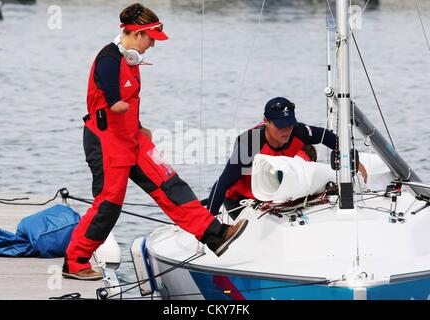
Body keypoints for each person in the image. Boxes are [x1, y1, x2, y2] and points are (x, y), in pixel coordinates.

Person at [63, 3, 248, 280]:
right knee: (109, 204)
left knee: (171, 185)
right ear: (137, 34)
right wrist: (118, 106)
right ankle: (75, 262)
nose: (152, 45)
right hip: (106, 142)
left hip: (133, 138)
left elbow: (126, 103)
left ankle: (216, 235)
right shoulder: (108, 59)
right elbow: (112, 101)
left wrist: (138, 126)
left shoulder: (131, 58)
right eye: (151, 39)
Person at [207, 96, 367, 219]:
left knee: (308, 151)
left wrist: (353, 159)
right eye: (281, 126)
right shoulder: (250, 143)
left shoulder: (298, 131)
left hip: (274, 192)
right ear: (266, 122)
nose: (287, 130)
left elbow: (328, 137)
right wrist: (208, 220)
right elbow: (223, 183)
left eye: (290, 124)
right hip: (241, 199)